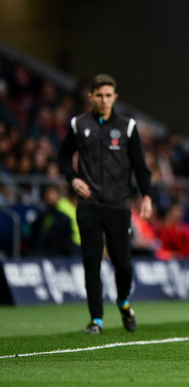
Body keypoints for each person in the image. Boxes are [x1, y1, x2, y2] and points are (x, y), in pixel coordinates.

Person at [58, 74, 153, 334]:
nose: (104, 100)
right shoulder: (79, 124)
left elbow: (141, 167)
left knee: (122, 264)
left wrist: (146, 196)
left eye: (108, 95)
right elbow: (64, 157)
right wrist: (73, 179)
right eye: (99, 95)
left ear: (115, 97)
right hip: (89, 204)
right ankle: (96, 320)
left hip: (118, 205)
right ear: (91, 97)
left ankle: (123, 302)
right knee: (92, 261)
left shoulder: (127, 127)